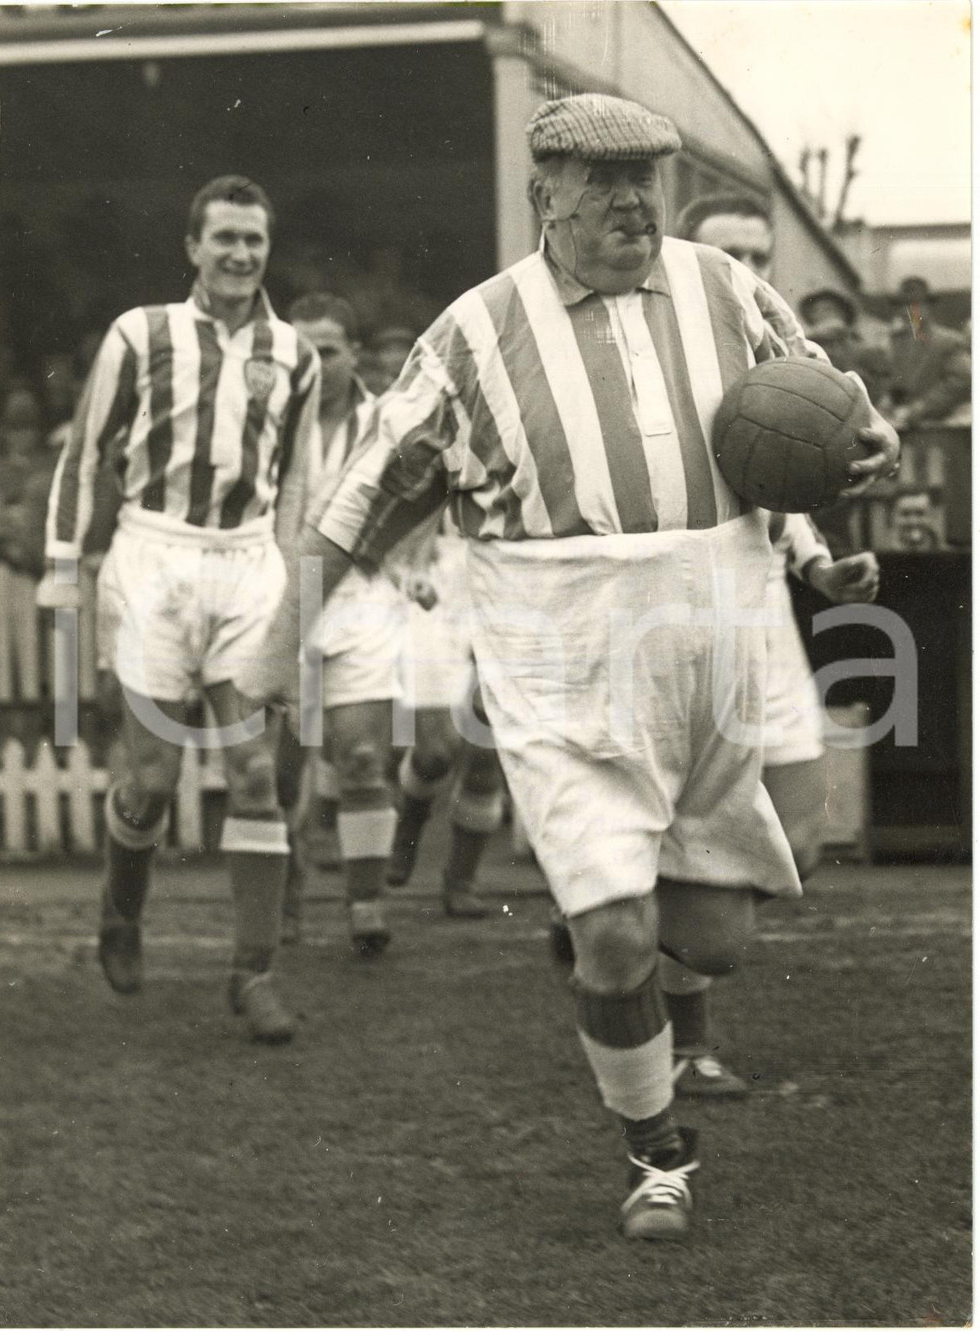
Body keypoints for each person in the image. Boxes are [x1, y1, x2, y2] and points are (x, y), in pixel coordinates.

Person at [239, 94, 899, 1240]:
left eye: (648, 179)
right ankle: (656, 1154)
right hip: (561, 667)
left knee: (711, 942)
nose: (633, 203)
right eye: (603, 185)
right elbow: (354, 506)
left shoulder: (726, 289)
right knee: (617, 933)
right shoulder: (473, 334)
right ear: (543, 191)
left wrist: (862, 454)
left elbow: (824, 415)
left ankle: (606, 943)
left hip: (711, 656)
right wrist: (273, 645)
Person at [579, 193, 881, 1099]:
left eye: (760, 251)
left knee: (802, 838)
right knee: (698, 846)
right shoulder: (644, 360)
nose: (749, 268)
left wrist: (822, 570)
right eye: (729, 251)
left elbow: (778, 489)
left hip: (763, 620)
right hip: (671, 625)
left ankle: (605, 918)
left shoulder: (785, 361)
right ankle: (684, 1038)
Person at [38, 175, 319, 1043]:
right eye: (224, 238)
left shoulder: (296, 353)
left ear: (267, 252)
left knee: (254, 774)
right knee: (151, 784)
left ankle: (255, 972)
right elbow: (86, 458)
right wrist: (61, 568)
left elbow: (298, 484)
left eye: (254, 241)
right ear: (192, 246)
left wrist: (294, 588)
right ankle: (122, 913)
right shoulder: (141, 333)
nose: (240, 254)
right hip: (152, 556)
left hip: (246, 565)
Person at [280, 291, 407, 954]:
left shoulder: (387, 418)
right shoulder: (262, 420)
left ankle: (364, 903)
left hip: (358, 598)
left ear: (353, 354)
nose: (311, 364)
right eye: (297, 351)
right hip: (277, 601)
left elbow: (429, 491)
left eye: (325, 351)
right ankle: (286, 901)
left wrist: (392, 550)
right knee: (280, 774)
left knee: (362, 758)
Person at [386, 520, 503, 919]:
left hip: (505, 576)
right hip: (436, 579)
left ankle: (462, 880)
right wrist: (412, 559)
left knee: (487, 754)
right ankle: (409, 827)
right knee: (435, 750)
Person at [887, 276, 971, 431]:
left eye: (915, 305)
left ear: (928, 307)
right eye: (904, 305)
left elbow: (963, 380)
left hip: (940, 426)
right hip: (897, 424)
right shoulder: (893, 342)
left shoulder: (949, 342)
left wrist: (921, 408)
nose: (910, 312)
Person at [886, 486, 941, 552]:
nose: (913, 521)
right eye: (905, 514)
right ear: (892, 517)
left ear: (933, 516)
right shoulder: (876, 560)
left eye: (920, 513)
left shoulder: (951, 559)